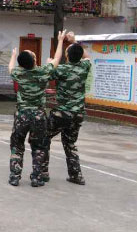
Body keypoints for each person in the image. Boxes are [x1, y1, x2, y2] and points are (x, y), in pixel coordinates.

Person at [8, 31, 66, 187]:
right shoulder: (43, 72)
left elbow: (10, 68)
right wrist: (60, 41)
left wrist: (13, 56)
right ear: (34, 60)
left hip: (21, 115)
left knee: (17, 145)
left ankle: (15, 176)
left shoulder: (18, 73)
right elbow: (57, 58)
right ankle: (36, 177)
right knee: (39, 147)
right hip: (38, 116)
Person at [43, 35, 91, 185]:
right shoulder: (84, 67)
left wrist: (50, 62)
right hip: (78, 114)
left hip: (62, 113)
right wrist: (74, 42)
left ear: (67, 56)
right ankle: (76, 175)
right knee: (70, 143)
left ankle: (42, 172)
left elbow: (50, 71)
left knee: (43, 138)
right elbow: (86, 56)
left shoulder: (62, 70)